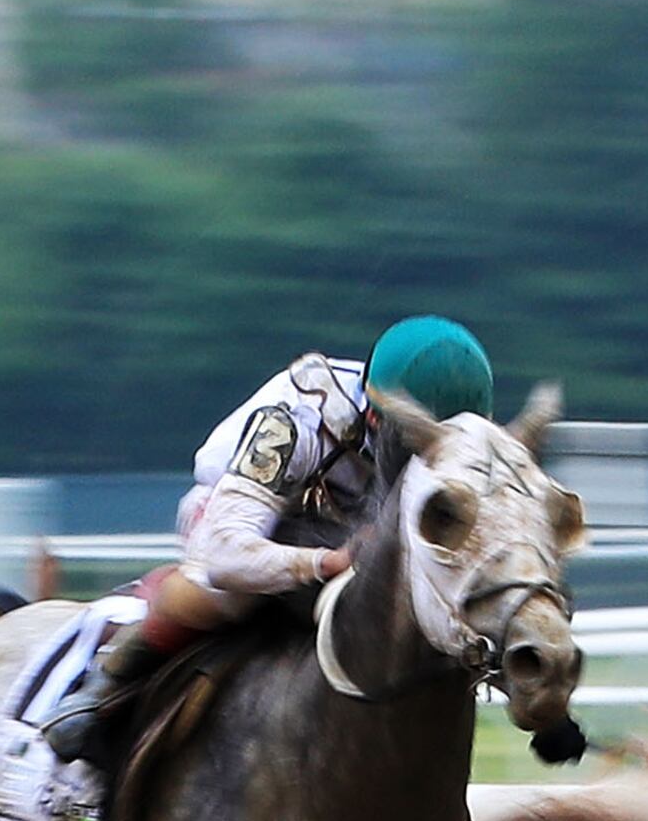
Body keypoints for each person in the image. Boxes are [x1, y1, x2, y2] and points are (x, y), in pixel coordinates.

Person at [42, 315, 498, 768]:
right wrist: (326, 563)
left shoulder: (460, 441)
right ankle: (110, 683)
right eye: (415, 441)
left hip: (353, 528)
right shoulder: (293, 419)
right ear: (376, 416)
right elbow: (225, 553)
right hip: (239, 515)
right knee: (232, 594)